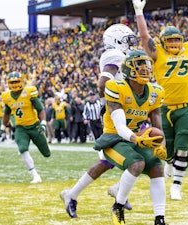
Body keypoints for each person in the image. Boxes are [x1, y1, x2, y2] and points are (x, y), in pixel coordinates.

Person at [132, 0, 188, 200]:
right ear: (163, 42)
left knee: (184, 143)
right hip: (163, 108)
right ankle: (170, 163)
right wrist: (139, 12)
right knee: (167, 150)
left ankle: (177, 184)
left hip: (185, 107)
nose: (174, 44)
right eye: (170, 40)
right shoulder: (158, 52)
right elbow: (145, 37)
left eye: (176, 40)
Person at [60, 24, 138, 218]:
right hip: (117, 114)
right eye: (128, 40)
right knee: (142, 153)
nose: (131, 44)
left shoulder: (123, 57)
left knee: (108, 162)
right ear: (117, 41)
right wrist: (106, 105)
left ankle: (73, 194)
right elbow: (104, 81)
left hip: (128, 113)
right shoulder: (114, 55)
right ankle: (118, 189)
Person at [94, 50, 167, 225]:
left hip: (136, 137)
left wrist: (161, 145)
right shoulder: (115, 86)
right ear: (128, 69)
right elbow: (119, 126)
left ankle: (160, 218)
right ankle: (118, 206)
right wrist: (136, 139)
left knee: (157, 166)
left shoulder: (155, 91)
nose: (145, 69)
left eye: (146, 65)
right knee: (137, 164)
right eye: (139, 65)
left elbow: (156, 119)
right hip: (113, 139)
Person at [0, 71, 50, 183]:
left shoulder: (29, 92)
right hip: (21, 128)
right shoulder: (7, 96)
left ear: (21, 81)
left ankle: (39, 144)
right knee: (22, 149)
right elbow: (6, 113)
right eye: (12, 82)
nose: (15, 84)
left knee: (47, 153)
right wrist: (2, 127)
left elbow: (40, 109)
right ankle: (35, 175)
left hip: (34, 125)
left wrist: (43, 123)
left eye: (17, 81)